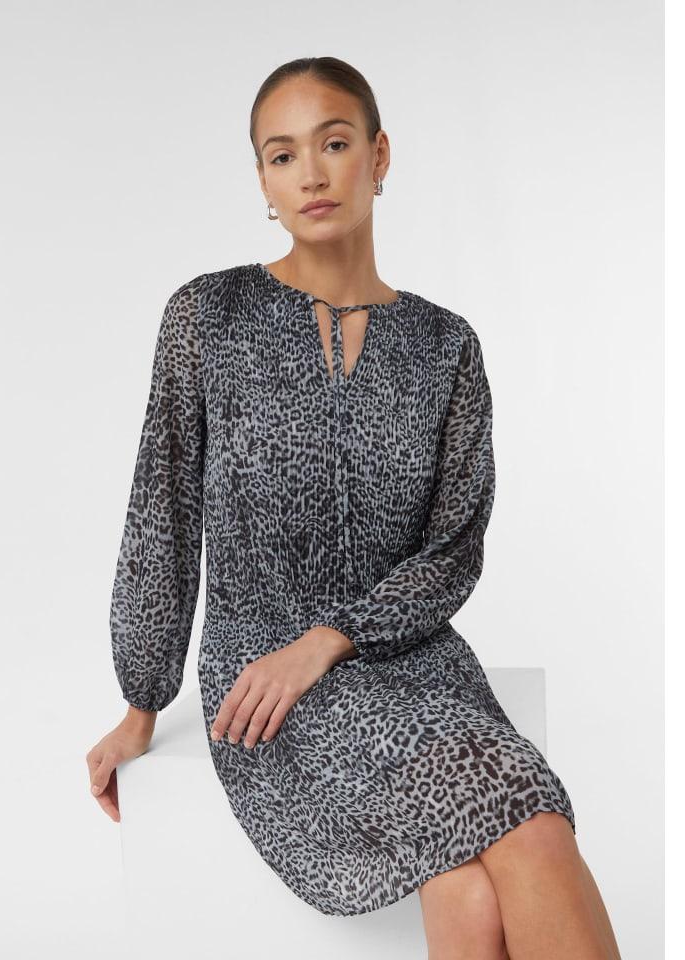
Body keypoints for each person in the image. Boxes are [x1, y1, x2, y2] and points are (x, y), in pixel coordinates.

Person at [86, 56, 621, 959]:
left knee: (474, 876)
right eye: (282, 155)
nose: (311, 173)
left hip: (415, 657)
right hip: (266, 682)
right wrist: (142, 703)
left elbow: (454, 548)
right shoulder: (207, 317)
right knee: (523, 823)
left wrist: (331, 638)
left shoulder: (446, 346)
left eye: (333, 144)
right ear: (263, 181)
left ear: (378, 156)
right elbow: (160, 520)